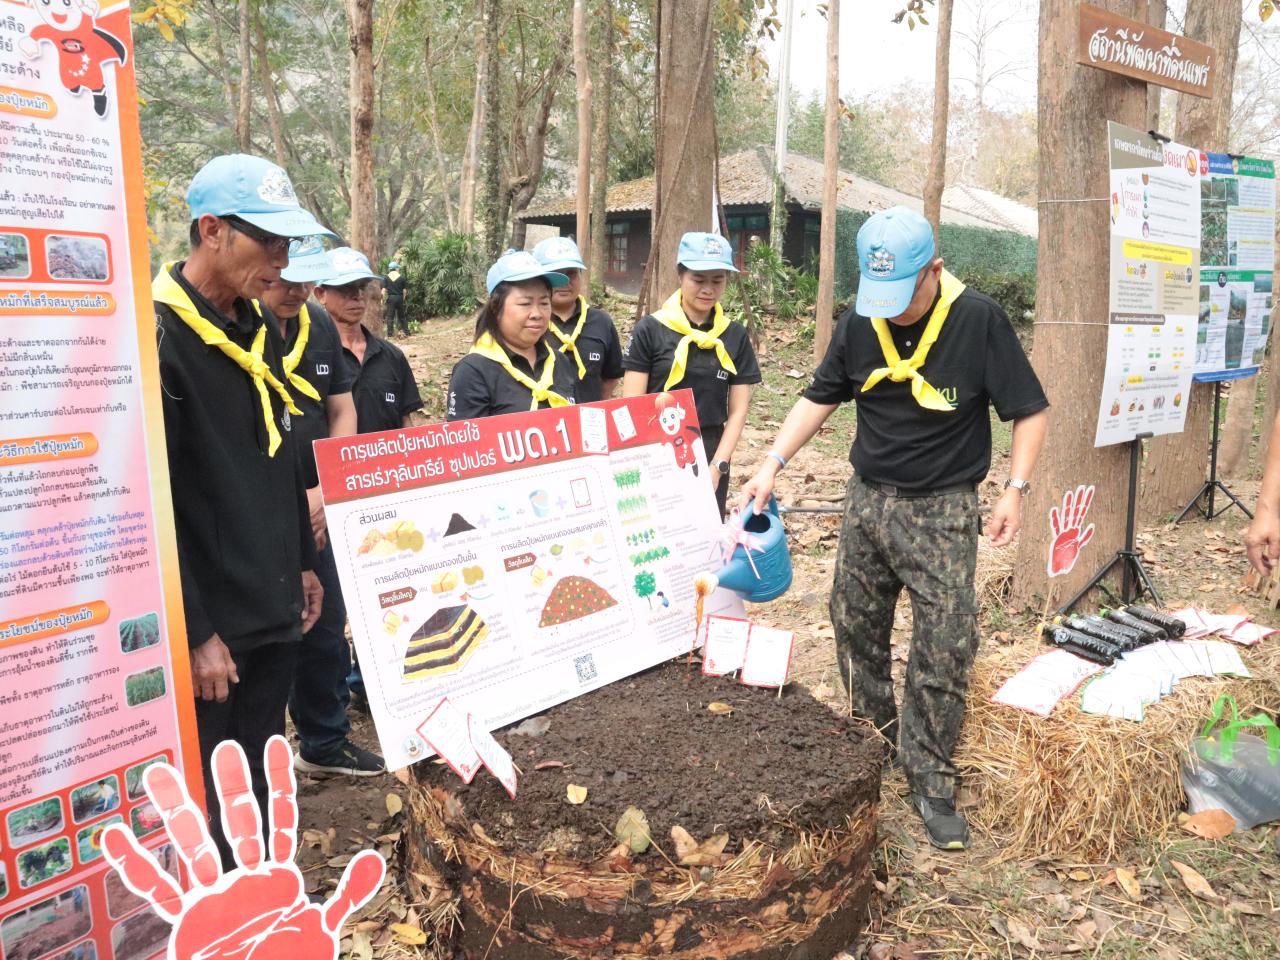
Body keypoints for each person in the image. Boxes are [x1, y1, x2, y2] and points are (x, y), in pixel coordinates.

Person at [741, 207, 1049, 851]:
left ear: (934, 270)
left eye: (905, 294)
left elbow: (1029, 411)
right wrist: (772, 462)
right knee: (854, 625)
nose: (891, 310)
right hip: (866, 504)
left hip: (942, 509)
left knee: (943, 642)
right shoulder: (861, 319)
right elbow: (821, 395)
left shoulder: (979, 320)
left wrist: (1014, 491)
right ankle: (872, 745)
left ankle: (931, 775)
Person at [154, 154, 330, 863]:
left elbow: (280, 448)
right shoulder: (157, 339)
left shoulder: (263, 327)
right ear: (212, 231)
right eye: (270, 244)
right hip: (215, 625)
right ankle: (226, 912)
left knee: (263, 764)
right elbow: (152, 504)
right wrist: (195, 630)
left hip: (274, 599)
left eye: (290, 247)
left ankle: (267, 890)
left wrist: (303, 563)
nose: (282, 263)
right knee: (214, 781)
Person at [258, 240, 384, 777]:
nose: (294, 290)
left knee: (327, 626)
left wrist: (325, 490)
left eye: (305, 279)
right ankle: (256, 761)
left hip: (318, 502)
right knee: (269, 636)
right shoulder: (238, 327)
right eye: (281, 279)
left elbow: (342, 407)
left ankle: (323, 742)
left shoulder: (318, 324)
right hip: (260, 507)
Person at [623, 232, 760, 515]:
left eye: (717, 280)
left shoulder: (734, 335)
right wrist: (642, 459)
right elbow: (632, 405)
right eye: (699, 279)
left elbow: (737, 411)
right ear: (681, 275)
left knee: (704, 540)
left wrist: (718, 466)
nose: (708, 289)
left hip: (710, 450)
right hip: (656, 449)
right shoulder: (650, 329)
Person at [447, 250, 578, 420]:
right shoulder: (473, 372)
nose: (537, 313)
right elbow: (466, 443)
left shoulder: (560, 362)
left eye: (544, 302)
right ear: (496, 308)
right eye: (525, 303)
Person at [316, 248, 424, 435]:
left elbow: (405, 421)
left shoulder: (392, 356)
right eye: (345, 287)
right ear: (321, 294)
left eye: (362, 286)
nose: (357, 295)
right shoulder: (313, 358)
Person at [532, 236, 624, 403]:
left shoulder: (601, 322)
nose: (565, 282)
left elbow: (611, 376)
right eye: (556, 274)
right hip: (542, 426)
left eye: (571, 274)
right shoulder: (530, 323)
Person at [382, 260, 408, 338]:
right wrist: (402, 298)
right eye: (398, 268)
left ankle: (390, 334)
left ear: (390, 269)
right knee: (402, 316)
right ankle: (406, 332)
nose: (398, 269)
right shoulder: (402, 277)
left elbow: (383, 290)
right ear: (396, 269)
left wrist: (382, 299)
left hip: (391, 298)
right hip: (399, 297)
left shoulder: (386, 278)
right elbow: (404, 290)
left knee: (390, 317)